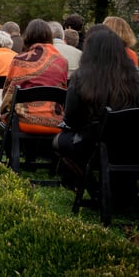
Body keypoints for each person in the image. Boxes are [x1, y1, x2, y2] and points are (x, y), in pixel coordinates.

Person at [54, 29, 139, 208]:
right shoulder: (135, 77)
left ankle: (96, 190)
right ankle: (123, 191)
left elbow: (71, 118)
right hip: (132, 144)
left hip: (94, 144)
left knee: (60, 141)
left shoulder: (82, 79)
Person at [0, 19, 68, 134]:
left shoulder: (20, 60)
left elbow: (8, 93)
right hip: (56, 123)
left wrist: (3, 112)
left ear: (28, 36)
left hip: (24, 122)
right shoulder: (62, 61)